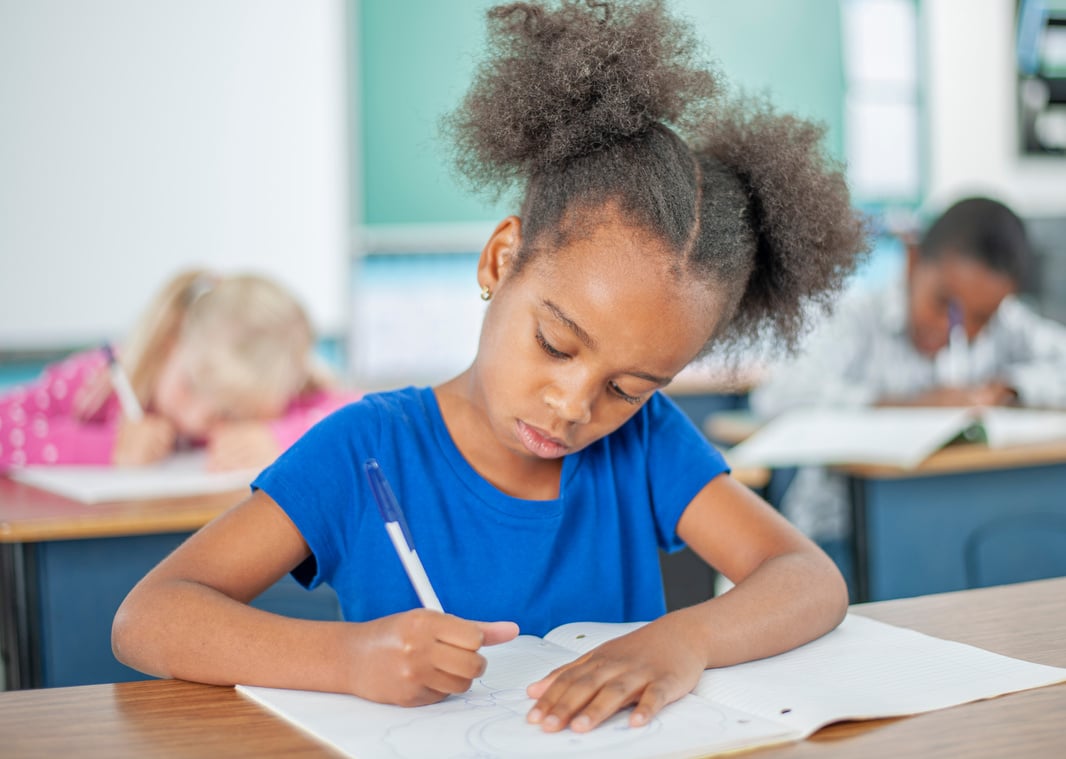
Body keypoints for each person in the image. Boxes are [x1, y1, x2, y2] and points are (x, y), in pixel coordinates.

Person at [112, 0, 867, 735]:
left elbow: (807, 577)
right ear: (501, 259)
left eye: (628, 389)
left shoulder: (647, 445)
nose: (574, 405)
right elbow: (149, 617)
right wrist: (346, 657)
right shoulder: (365, 448)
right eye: (557, 345)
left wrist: (683, 640)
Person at [749, 196, 1066, 582]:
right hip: (837, 537)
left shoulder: (1006, 323)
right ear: (914, 263)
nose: (958, 331)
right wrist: (905, 404)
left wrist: (1008, 388)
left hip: (950, 531)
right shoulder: (857, 317)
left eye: (980, 318)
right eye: (945, 304)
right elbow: (776, 395)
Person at [0, 269, 357, 472]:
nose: (198, 417)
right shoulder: (101, 383)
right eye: (192, 385)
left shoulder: (274, 393)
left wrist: (278, 440)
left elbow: (359, 418)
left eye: (230, 413)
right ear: (170, 342)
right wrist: (107, 448)